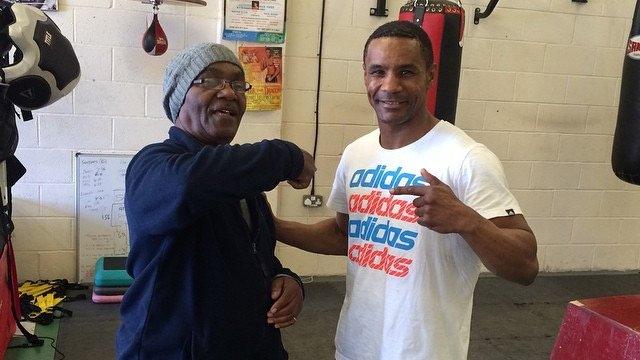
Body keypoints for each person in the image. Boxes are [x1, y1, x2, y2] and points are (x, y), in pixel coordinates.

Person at [275, 20, 539, 360]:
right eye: (378, 71)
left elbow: (526, 265)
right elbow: (347, 236)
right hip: (356, 346)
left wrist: (467, 221)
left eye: (406, 72)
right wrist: (271, 224)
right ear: (365, 76)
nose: (390, 85)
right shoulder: (357, 153)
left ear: (430, 74)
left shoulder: (465, 158)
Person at [116, 43, 315, 359]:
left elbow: (253, 256)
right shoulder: (153, 166)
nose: (229, 92)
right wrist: (287, 155)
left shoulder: (240, 183)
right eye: (209, 80)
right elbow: (190, 185)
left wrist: (286, 279)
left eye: (238, 83)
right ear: (179, 97)